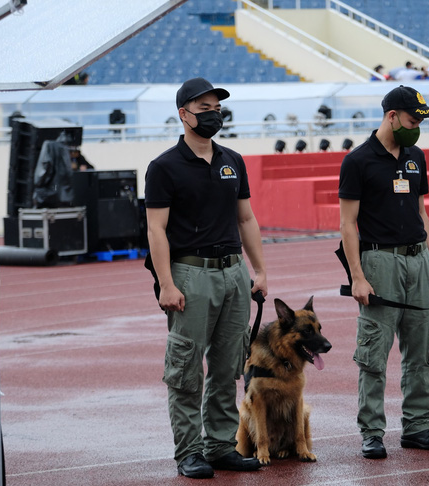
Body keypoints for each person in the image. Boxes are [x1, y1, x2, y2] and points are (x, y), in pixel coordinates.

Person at [145, 78, 268, 479]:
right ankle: (189, 452)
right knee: (185, 370)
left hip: (233, 274)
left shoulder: (233, 160)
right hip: (190, 275)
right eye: (204, 107)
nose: (213, 113)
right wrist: (166, 282)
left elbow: (245, 218)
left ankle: (219, 446)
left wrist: (260, 270)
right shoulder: (164, 167)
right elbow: (156, 230)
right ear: (184, 114)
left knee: (226, 366)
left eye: (216, 107)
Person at [338, 85, 429, 460]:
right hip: (379, 262)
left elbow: (422, 212)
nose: (417, 125)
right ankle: (372, 431)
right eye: (413, 118)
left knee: (421, 351)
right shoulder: (358, 161)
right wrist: (357, 275)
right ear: (391, 116)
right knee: (373, 352)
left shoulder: (416, 156)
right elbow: (347, 224)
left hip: (418, 260)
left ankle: (418, 427)